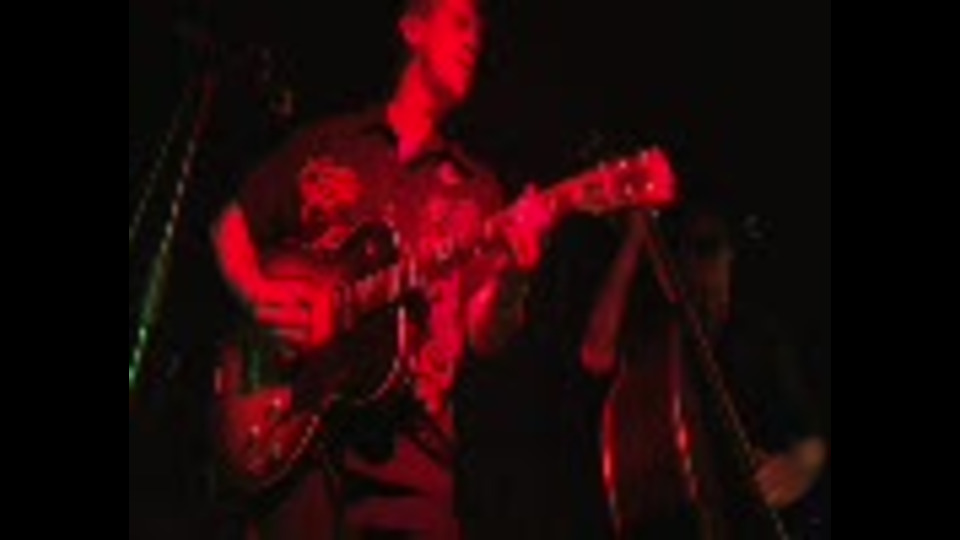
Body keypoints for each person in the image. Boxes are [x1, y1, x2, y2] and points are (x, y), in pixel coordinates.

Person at [210, 0, 555, 537]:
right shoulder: (330, 144)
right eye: (461, 22)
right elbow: (233, 222)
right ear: (413, 28)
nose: (475, 41)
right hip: (296, 438)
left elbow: (483, 334)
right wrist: (257, 293)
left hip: (411, 458)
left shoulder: (478, 190)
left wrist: (516, 275)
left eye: (480, 32)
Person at [585, 207, 828, 538]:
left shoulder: (761, 339)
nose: (693, 262)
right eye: (682, 249)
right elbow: (596, 352)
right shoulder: (654, 340)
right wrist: (634, 241)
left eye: (707, 247)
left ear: (730, 256)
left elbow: (808, 435)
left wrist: (799, 466)